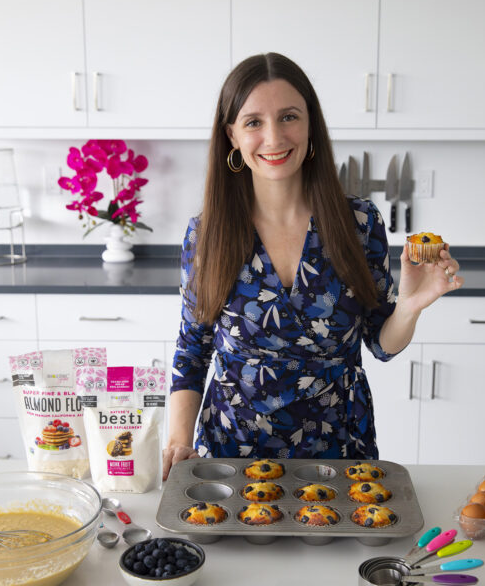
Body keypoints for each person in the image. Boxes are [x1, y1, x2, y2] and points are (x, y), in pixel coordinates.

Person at [162, 52, 463, 479]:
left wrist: (410, 306)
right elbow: (192, 352)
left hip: (338, 457)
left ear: (310, 124)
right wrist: (179, 443)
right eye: (253, 122)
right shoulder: (207, 233)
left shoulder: (359, 223)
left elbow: (381, 344)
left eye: (289, 117)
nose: (273, 137)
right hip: (230, 461)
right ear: (231, 135)